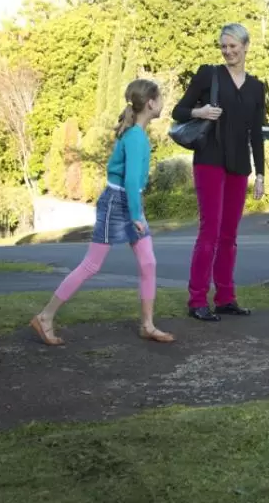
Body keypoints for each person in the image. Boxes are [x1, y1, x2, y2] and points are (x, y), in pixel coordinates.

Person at [30, 79, 174, 346]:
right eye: (161, 98)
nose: (163, 103)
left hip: (131, 203)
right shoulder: (135, 138)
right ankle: (45, 317)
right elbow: (130, 180)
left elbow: (134, 183)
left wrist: (136, 210)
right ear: (151, 103)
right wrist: (134, 215)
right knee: (92, 265)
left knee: (148, 262)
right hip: (118, 204)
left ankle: (147, 324)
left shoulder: (137, 135)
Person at [172, 23, 266, 322]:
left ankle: (226, 298)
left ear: (246, 46)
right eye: (223, 46)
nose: (227, 51)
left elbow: (257, 135)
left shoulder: (255, 87)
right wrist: (199, 112)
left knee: (229, 235)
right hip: (209, 159)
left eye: (233, 46)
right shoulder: (207, 74)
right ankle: (197, 299)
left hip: (239, 164)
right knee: (209, 232)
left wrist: (260, 175)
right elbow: (178, 111)